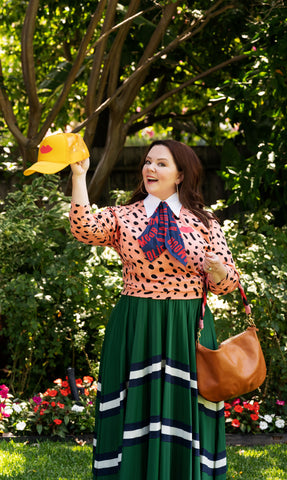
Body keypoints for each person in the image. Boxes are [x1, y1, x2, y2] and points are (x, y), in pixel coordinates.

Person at [69, 139, 240, 480]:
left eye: (161, 164)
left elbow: (228, 283)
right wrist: (79, 176)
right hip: (137, 323)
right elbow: (84, 228)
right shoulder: (124, 216)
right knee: (136, 404)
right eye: (148, 162)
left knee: (187, 407)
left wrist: (218, 271)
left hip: (188, 326)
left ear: (180, 175)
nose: (150, 168)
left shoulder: (205, 222)